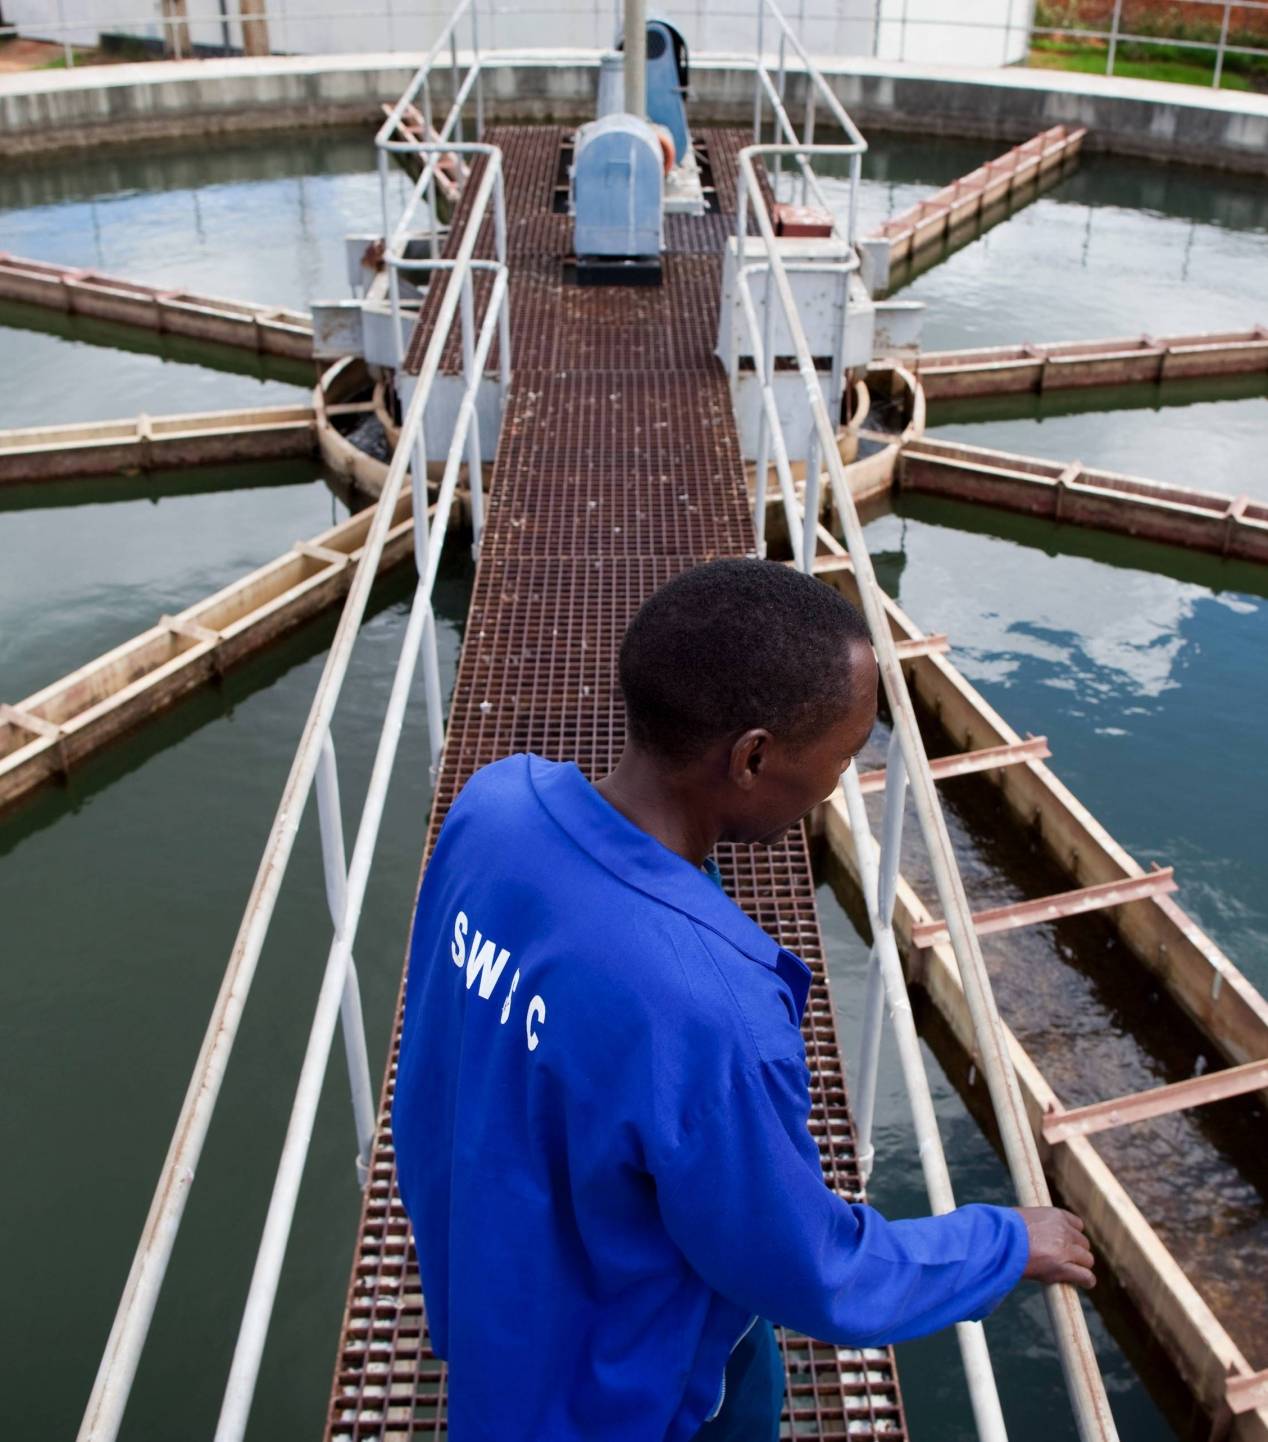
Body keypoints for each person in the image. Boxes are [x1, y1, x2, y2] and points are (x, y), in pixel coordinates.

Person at [392, 558, 1094, 1442]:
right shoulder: (710, 1012)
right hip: (626, 1402)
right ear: (753, 756)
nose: (841, 781)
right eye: (840, 757)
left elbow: (433, 1072)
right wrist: (1001, 1244)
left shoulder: (493, 806)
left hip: (494, 1319)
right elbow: (815, 1269)